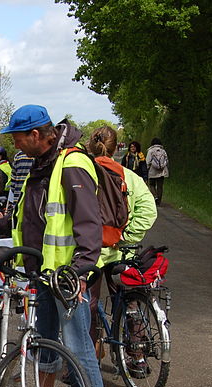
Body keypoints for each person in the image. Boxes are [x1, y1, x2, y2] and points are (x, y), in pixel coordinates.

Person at [0, 104, 110, 387]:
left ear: (36, 135)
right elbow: (30, 212)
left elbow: (88, 223)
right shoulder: (42, 165)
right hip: (44, 273)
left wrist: (81, 272)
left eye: (18, 138)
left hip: (67, 277)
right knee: (46, 345)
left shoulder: (73, 164)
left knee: (79, 347)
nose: (15, 145)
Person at [86, 126, 157, 371]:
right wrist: (125, 235)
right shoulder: (129, 176)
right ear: (117, 147)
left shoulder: (81, 174)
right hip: (122, 249)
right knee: (130, 303)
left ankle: (89, 358)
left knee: (88, 304)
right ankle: (137, 359)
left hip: (91, 251)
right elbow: (149, 210)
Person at [7, 149, 33, 217]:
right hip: (36, 204)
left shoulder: (18, 156)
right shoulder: (42, 156)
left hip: (18, 202)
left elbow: (13, 183)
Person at [146, 138, 169, 204]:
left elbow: (148, 161)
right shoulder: (163, 151)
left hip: (152, 171)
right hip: (161, 171)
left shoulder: (150, 151)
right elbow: (166, 160)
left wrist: (146, 170)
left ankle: (155, 196)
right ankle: (159, 200)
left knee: (152, 185)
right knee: (160, 186)